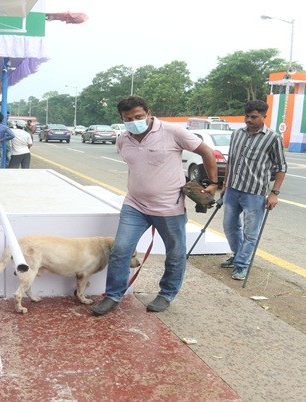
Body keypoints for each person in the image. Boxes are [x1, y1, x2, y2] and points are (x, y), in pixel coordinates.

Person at [91, 95, 219, 316]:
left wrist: (214, 183)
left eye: (138, 116)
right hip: (135, 206)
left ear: (149, 113)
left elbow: (206, 151)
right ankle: (113, 295)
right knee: (120, 250)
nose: (134, 121)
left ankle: (167, 293)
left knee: (175, 253)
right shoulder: (123, 140)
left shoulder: (173, 132)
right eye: (127, 118)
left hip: (169, 207)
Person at [220, 100, 287, 280]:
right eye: (247, 116)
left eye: (254, 117)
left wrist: (274, 193)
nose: (249, 120)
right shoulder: (237, 134)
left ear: (264, 116)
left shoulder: (273, 138)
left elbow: (281, 167)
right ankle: (237, 255)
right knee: (229, 226)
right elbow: (231, 161)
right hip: (233, 190)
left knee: (251, 232)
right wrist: (225, 183)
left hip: (254, 193)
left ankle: (242, 264)